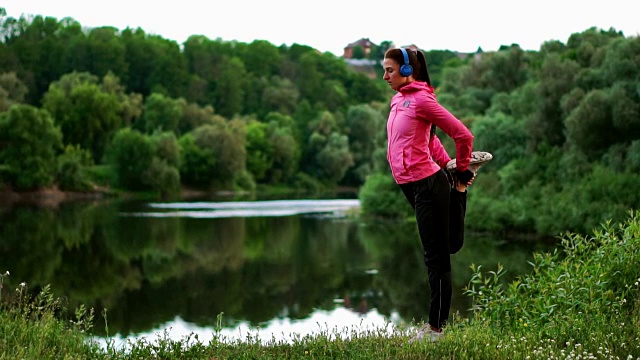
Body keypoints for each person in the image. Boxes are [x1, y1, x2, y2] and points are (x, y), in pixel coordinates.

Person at [382, 47, 475, 342]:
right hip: (413, 185)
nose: (385, 76)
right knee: (446, 246)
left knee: (436, 257)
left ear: (408, 71)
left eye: (390, 70)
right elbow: (430, 139)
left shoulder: (422, 100)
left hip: (426, 184)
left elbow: (464, 134)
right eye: (384, 69)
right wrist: (447, 162)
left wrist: (459, 168)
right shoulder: (399, 100)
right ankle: (458, 191)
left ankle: (436, 330)